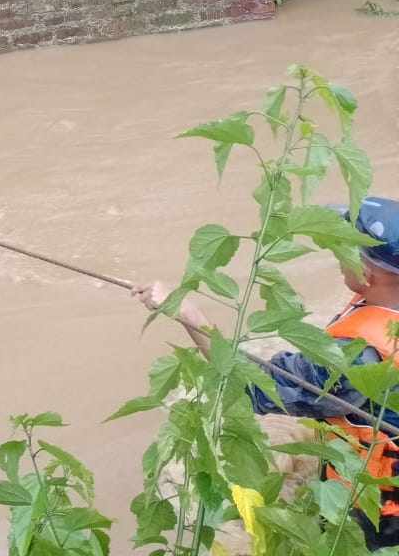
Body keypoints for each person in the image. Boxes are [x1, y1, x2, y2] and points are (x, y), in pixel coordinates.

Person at [133, 196, 399, 549]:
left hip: (380, 511)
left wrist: (190, 316)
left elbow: (251, 386)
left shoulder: (359, 356)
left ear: (368, 273)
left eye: (345, 247)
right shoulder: (382, 308)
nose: (336, 254)